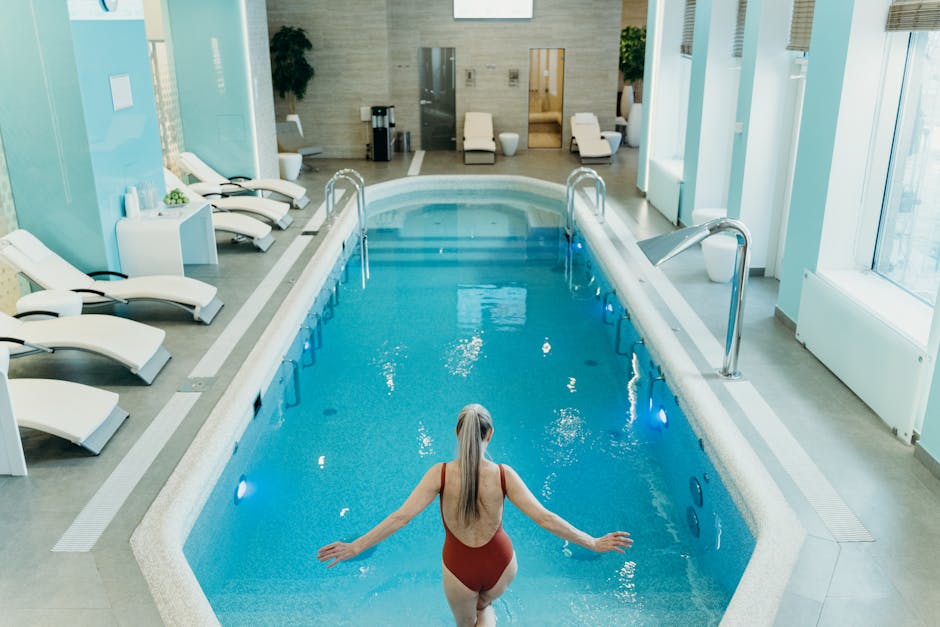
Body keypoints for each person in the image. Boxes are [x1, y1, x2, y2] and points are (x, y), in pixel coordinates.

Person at [317, 403, 632, 627]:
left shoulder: (439, 475)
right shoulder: (504, 474)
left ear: (457, 433)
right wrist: (592, 542)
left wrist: (356, 547)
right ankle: (486, 607)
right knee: (486, 605)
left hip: (459, 569)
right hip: (502, 564)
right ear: (490, 434)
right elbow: (543, 517)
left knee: (467, 622)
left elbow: (401, 518)